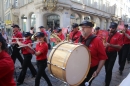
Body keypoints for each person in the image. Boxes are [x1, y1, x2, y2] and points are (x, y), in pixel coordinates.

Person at [79, 20, 107, 86]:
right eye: (81, 27)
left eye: (85, 27)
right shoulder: (80, 38)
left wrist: (97, 71)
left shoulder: (97, 40)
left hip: (91, 69)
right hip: (80, 67)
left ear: (91, 29)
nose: (82, 29)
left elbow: (103, 57)